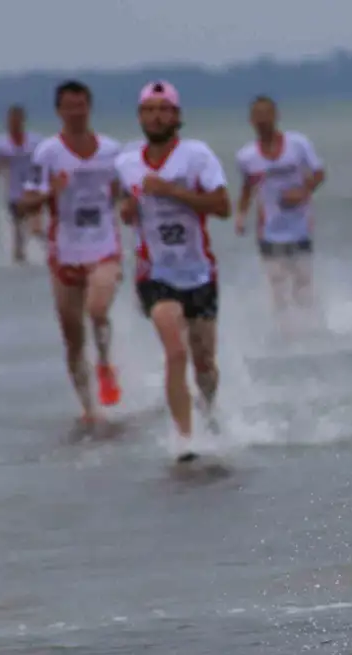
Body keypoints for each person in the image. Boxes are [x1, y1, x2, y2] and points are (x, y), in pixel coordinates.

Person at [114, 81, 231, 461]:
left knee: (205, 364)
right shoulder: (125, 162)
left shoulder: (197, 156)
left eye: (164, 109)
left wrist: (172, 191)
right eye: (149, 109)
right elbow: (123, 205)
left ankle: (209, 413)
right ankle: (184, 440)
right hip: (155, 274)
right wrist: (128, 210)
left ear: (177, 116)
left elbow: (222, 206)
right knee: (174, 350)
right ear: (139, 117)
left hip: (199, 273)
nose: (156, 116)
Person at [17, 81, 124, 424]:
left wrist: (133, 205)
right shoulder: (47, 153)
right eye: (69, 107)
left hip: (105, 246)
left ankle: (105, 363)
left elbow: (127, 192)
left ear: (89, 107)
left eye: (81, 106)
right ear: (59, 111)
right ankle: (88, 408)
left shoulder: (112, 150)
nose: (76, 112)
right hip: (64, 253)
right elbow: (24, 202)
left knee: (97, 309)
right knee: (72, 336)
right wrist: (51, 192)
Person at [234, 96, 326, 315]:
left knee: (303, 282)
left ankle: (310, 324)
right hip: (269, 231)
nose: (262, 120)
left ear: (276, 116)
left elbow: (319, 173)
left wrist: (303, 191)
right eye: (257, 115)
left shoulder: (298, 144)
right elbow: (248, 187)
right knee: (277, 284)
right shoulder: (246, 156)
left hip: (300, 227)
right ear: (251, 120)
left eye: (266, 114)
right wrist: (241, 215)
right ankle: (284, 330)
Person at [0, 104, 44, 263]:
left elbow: (47, 161)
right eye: (10, 121)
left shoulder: (35, 141)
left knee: (36, 229)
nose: (13, 124)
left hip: (33, 191)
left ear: (23, 121)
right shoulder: (1, 144)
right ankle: (20, 269)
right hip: (14, 194)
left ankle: (56, 254)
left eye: (16, 120)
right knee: (18, 240)